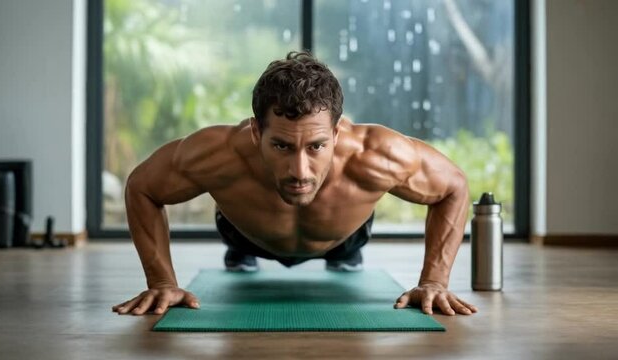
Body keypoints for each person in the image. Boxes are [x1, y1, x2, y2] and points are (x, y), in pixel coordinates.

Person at [112, 51, 478, 317]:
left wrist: (434, 281)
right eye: (282, 146)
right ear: (256, 132)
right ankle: (241, 251)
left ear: (336, 133)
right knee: (237, 229)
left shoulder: (376, 155)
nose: (300, 170)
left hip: (342, 236)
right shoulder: (218, 153)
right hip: (246, 233)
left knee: (347, 246)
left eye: (317, 146)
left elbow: (454, 187)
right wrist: (161, 281)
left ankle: (346, 253)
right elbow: (142, 186)